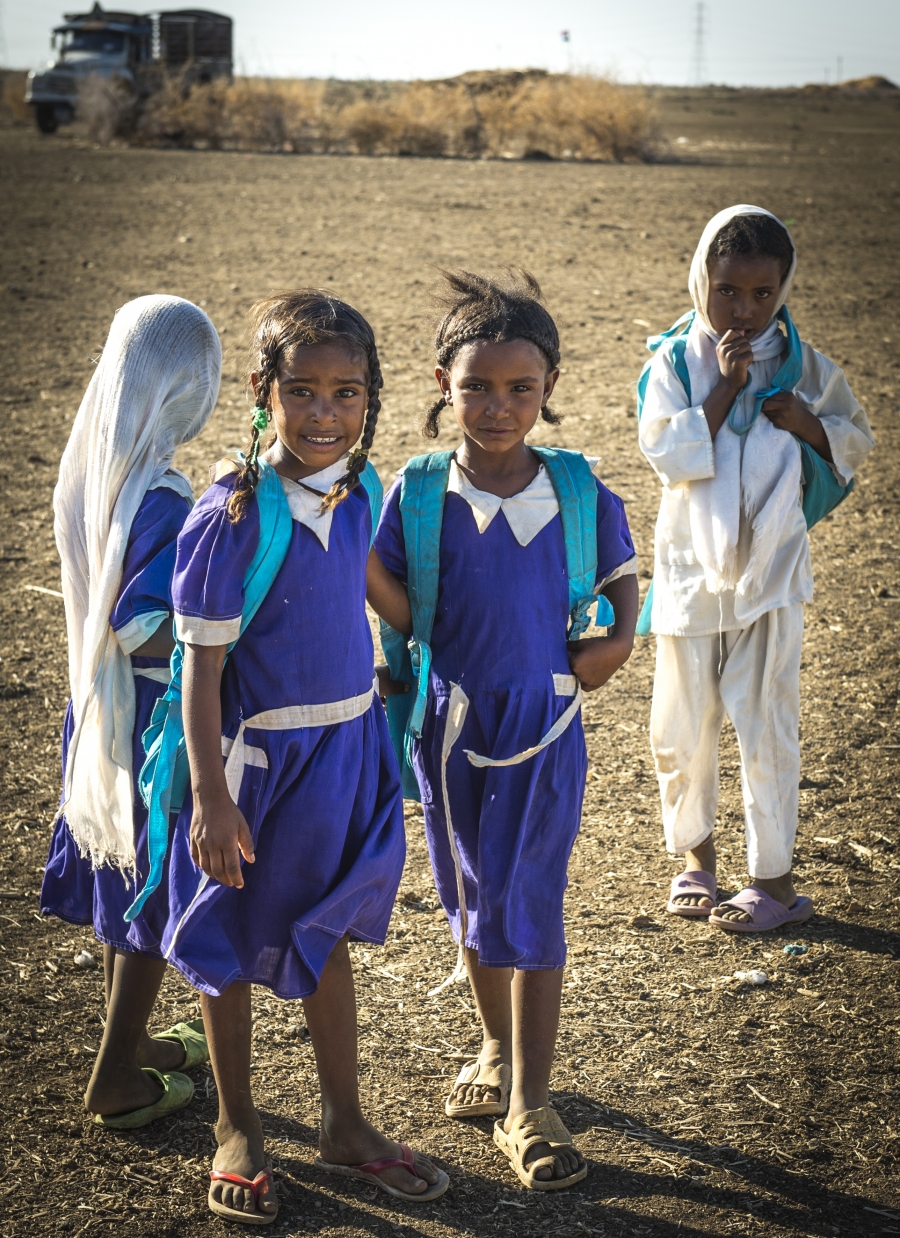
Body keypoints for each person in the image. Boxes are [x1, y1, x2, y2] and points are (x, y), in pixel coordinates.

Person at [141, 290, 447, 1225]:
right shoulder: (230, 514)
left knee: (328, 932)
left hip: (349, 753)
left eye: (346, 393)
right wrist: (208, 799)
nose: (325, 413)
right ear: (262, 391)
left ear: (371, 399)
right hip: (257, 771)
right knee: (226, 950)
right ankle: (238, 1127)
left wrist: (477, 640)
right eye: (303, 391)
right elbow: (201, 672)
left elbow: (387, 601)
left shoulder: (357, 493)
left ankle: (344, 1124)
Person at [367, 271, 638, 1192]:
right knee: (469, 896)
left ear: (550, 387)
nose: (497, 405)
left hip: (543, 725)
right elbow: (394, 596)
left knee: (527, 899)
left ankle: (531, 1103)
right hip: (446, 723)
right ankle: (493, 1043)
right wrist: (390, 608)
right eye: (476, 385)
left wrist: (617, 642)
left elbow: (621, 573)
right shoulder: (414, 492)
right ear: (441, 382)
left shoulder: (574, 485)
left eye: (520, 387)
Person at [638, 205, 874, 932]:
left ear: (783, 288)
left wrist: (803, 421)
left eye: (761, 294)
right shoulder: (675, 363)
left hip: (770, 576)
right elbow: (665, 451)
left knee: (766, 721)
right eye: (727, 292)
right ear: (700, 281)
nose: (744, 309)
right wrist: (725, 389)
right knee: (683, 724)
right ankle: (697, 864)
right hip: (689, 573)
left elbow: (851, 439)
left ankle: (773, 882)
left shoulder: (806, 366)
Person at [41, 295, 221, 1126]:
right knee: (149, 889)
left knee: (123, 882)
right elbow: (146, 628)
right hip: (149, 720)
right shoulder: (158, 495)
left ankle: (135, 1040)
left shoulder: (88, 471)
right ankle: (116, 1075)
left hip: (98, 710)